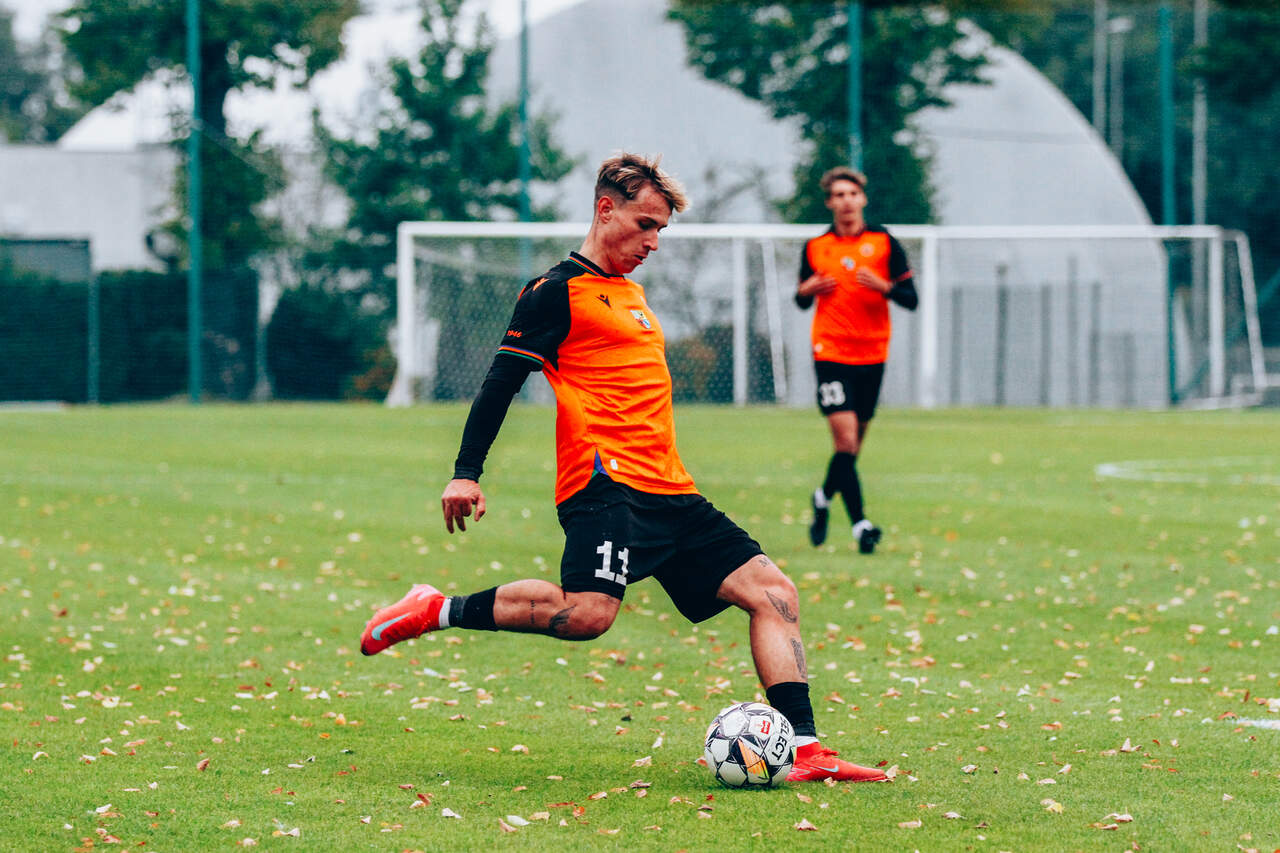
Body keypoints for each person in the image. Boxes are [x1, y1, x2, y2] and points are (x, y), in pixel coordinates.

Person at [360, 153, 886, 783]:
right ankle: (434, 609)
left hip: (671, 489)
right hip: (604, 484)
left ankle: (807, 751)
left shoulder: (632, 293)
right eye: (645, 225)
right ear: (606, 209)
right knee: (588, 615)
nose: (653, 242)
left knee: (775, 594)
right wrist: (465, 471)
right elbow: (501, 383)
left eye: (660, 229)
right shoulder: (554, 293)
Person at [795, 167, 917, 554]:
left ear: (862, 198)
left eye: (852, 193)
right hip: (830, 353)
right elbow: (801, 298)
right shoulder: (816, 247)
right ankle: (862, 525)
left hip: (872, 353)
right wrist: (807, 289)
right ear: (829, 202)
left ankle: (822, 497)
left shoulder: (884, 242)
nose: (846, 201)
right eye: (839, 195)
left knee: (851, 449)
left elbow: (911, 298)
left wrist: (886, 287)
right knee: (845, 441)